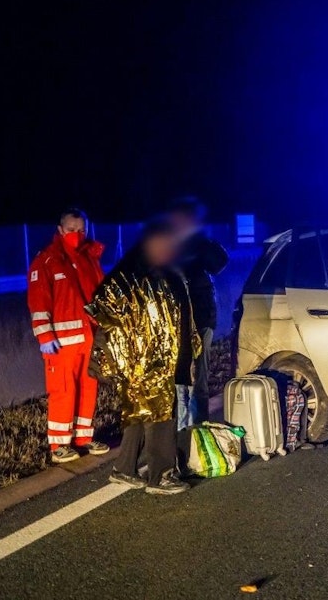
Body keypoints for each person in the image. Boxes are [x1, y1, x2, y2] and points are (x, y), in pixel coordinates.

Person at [87, 220, 200, 495]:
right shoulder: (134, 273)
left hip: (155, 359)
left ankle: (123, 469)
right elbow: (103, 305)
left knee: (139, 414)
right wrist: (125, 352)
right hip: (147, 362)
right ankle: (161, 477)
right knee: (160, 415)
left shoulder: (163, 271)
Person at [27, 207, 110, 463]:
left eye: (82, 230)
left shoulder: (89, 258)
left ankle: (83, 437)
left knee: (89, 387)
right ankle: (59, 444)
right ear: (60, 229)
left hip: (89, 338)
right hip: (61, 344)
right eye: (72, 230)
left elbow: (100, 297)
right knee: (63, 390)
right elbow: (38, 302)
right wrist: (45, 336)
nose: (78, 234)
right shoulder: (47, 261)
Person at [167, 197, 228, 427]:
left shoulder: (199, 244)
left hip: (201, 318)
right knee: (179, 375)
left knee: (200, 375)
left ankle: (200, 425)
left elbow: (220, 261)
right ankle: (181, 428)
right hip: (176, 323)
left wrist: (199, 241)